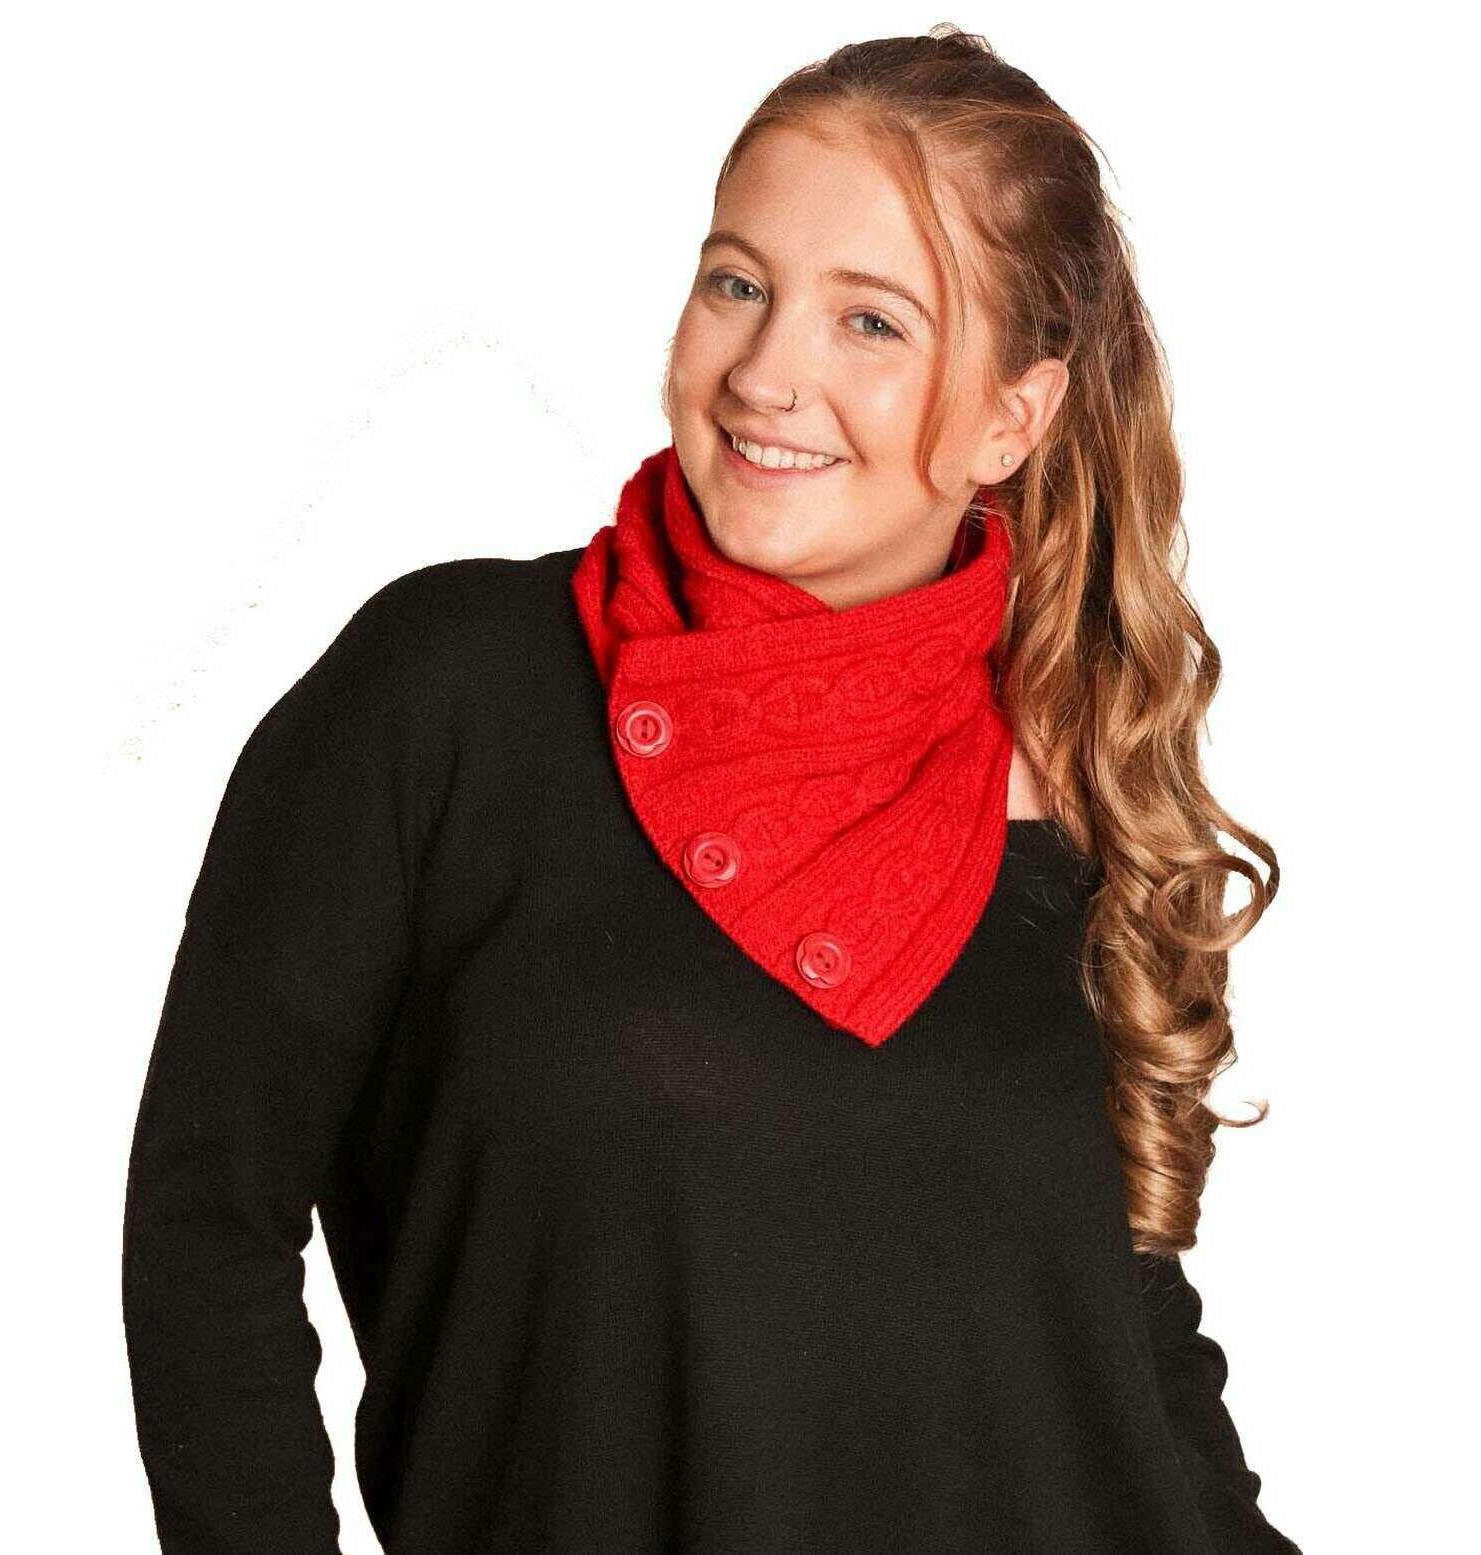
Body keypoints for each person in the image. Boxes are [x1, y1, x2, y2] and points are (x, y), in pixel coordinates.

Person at [122, 25, 1302, 1554]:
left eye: (870, 322)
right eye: (738, 284)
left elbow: (1123, 1338)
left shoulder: (1068, 767)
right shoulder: (450, 693)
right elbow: (207, 1219)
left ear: (1011, 420)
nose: (765, 373)